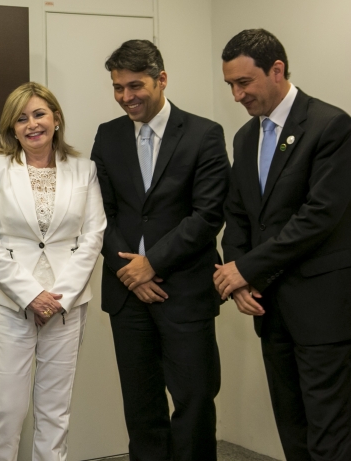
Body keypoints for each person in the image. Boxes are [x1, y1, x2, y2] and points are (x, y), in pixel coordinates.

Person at [215, 29, 351, 460]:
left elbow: (318, 217)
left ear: (277, 70)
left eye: (244, 83)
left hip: (322, 310)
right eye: (230, 85)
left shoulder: (331, 125)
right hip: (269, 307)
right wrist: (238, 277)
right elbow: (238, 215)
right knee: (291, 424)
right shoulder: (245, 138)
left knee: (329, 430)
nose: (237, 95)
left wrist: (246, 268)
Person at [91, 40, 229, 460]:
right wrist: (128, 273)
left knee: (194, 401)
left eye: (135, 86)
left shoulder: (204, 133)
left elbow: (207, 216)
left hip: (184, 291)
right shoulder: (108, 135)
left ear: (161, 79)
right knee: (141, 407)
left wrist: (152, 264)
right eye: (118, 87)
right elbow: (100, 214)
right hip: (127, 296)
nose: (126, 97)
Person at [0, 82, 106, 461]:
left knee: (55, 412)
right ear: (12, 128)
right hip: (11, 303)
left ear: (56, 119)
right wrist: (32, 295)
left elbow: (93, 236)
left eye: (39, 114)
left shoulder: (85, 170)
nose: (32, 124)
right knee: (6, 412)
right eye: (21, 118)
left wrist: (58, 297)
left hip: (66, 306)